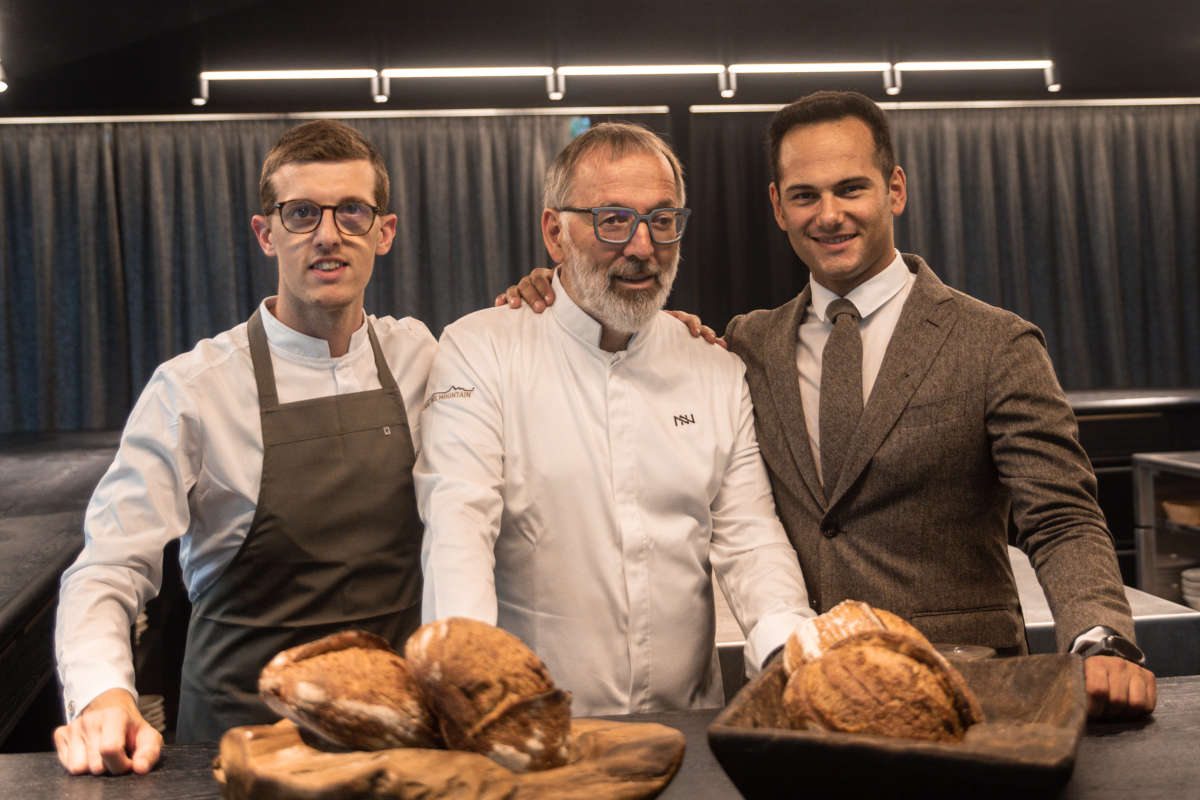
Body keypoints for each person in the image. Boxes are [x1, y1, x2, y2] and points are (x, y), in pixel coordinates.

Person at [499, 93, 1156, 720]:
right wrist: (556, 292)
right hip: (804, 702)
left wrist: (1100, 636)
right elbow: (635, 334)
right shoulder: (748, 345)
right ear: (778, 206)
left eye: (851, 188)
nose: (829, 214)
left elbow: (1063, 517)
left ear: (893, 189)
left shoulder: (996, 343)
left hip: (964, 691)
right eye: (805, 195)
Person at [54, 120, 435, 775]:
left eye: (351, 211)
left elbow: (537, 355)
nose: (327, 233)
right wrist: (104, 691)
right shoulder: (194, 388)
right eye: (300, 213)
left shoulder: (424, 357)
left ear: (384, 231)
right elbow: (108, 565)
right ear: (266, 233)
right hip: (237, 753)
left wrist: (659, 336)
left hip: (399, 752)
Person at [416, 122, 813, 716]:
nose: (642, 247)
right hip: (531, 727)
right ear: (556, 232)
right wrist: (464, 673)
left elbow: (750, 539)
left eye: (662, 219)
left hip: (689, 728)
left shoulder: (713, 368)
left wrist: (788, 649)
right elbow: (459, 523)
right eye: (613, 220)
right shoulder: (481, 350)